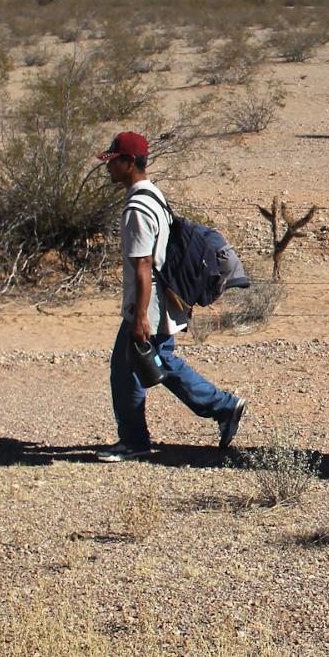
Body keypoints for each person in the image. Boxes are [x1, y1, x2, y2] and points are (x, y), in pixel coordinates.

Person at [95, 131, 245, 462]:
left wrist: (139, 317)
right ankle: (223, 406)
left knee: (127, 370)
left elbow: (144, 265)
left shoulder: (138, 207)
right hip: (164, 301)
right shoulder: (154, 196)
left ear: (129, 162)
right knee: (160, 362)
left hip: (151, 305)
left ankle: (135, 441)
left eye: (113, 161)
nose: (108, 168)